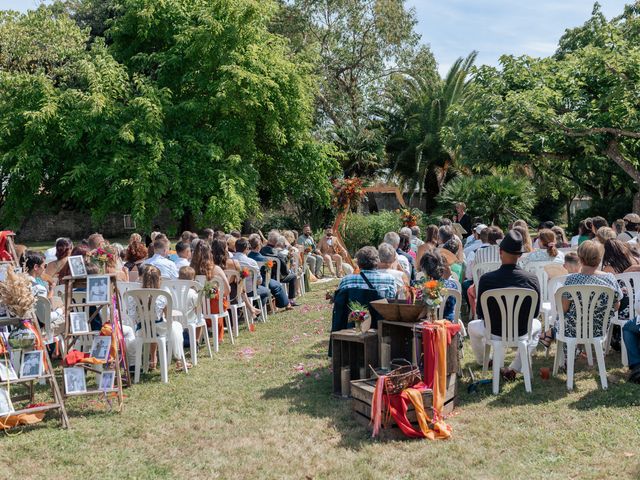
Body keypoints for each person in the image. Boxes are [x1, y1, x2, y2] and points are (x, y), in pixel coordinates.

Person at [468, 230, 541, 380]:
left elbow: (481, 313)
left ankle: (486, 361)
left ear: (500, 252)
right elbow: (534, 314)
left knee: (472, 326)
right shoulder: (532, 279)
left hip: (493, 330)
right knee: (537, 325)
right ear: (520, 255)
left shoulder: (486, 279)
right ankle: (515, 367)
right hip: (521, 331)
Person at [560, 240, 620, 362]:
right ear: (599, 259)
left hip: (573, 330)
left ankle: (569, 354)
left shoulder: (572, 280)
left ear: (580, 259)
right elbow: (616, 305)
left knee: (559, 320)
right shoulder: (609, 279)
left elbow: (563, 308)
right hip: (598, 329)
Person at [126, 265, 188, 370]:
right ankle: (179, 359)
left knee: (154, 326)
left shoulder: (133, 294)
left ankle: (153, 360)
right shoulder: (162, 294)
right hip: (158, 330)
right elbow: (168, 316)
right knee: (175, 326)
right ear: (159, 279)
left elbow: (132, 315)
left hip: (141, 330)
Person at [247, 234, 291, 310]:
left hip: (248, 282)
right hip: (262, 281)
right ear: (258, 247)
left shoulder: (247, 257)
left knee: (274, 284)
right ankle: (285, 304)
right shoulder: (263, 259)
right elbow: (267, 274)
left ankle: (284, 304)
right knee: (277, 285)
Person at [261, 230, 299, 306]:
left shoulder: (261, 251)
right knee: (293, 276)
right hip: (276, 278)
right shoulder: (278, 254)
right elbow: (285, 272)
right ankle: (291, 299)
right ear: (277, 242)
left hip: (264, 277)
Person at [420, 251, 458, 321]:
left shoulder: (421, 287)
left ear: (424, 269)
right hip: (448, 323)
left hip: (427, 325)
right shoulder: (452, 285)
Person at [235, 237, 271, 309]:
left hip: (235, 291)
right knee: (266, 291)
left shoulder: (231, 261)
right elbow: (259, 281)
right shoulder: (251, 262)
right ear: (246, 248)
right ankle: (258, 313)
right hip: (250, 291)